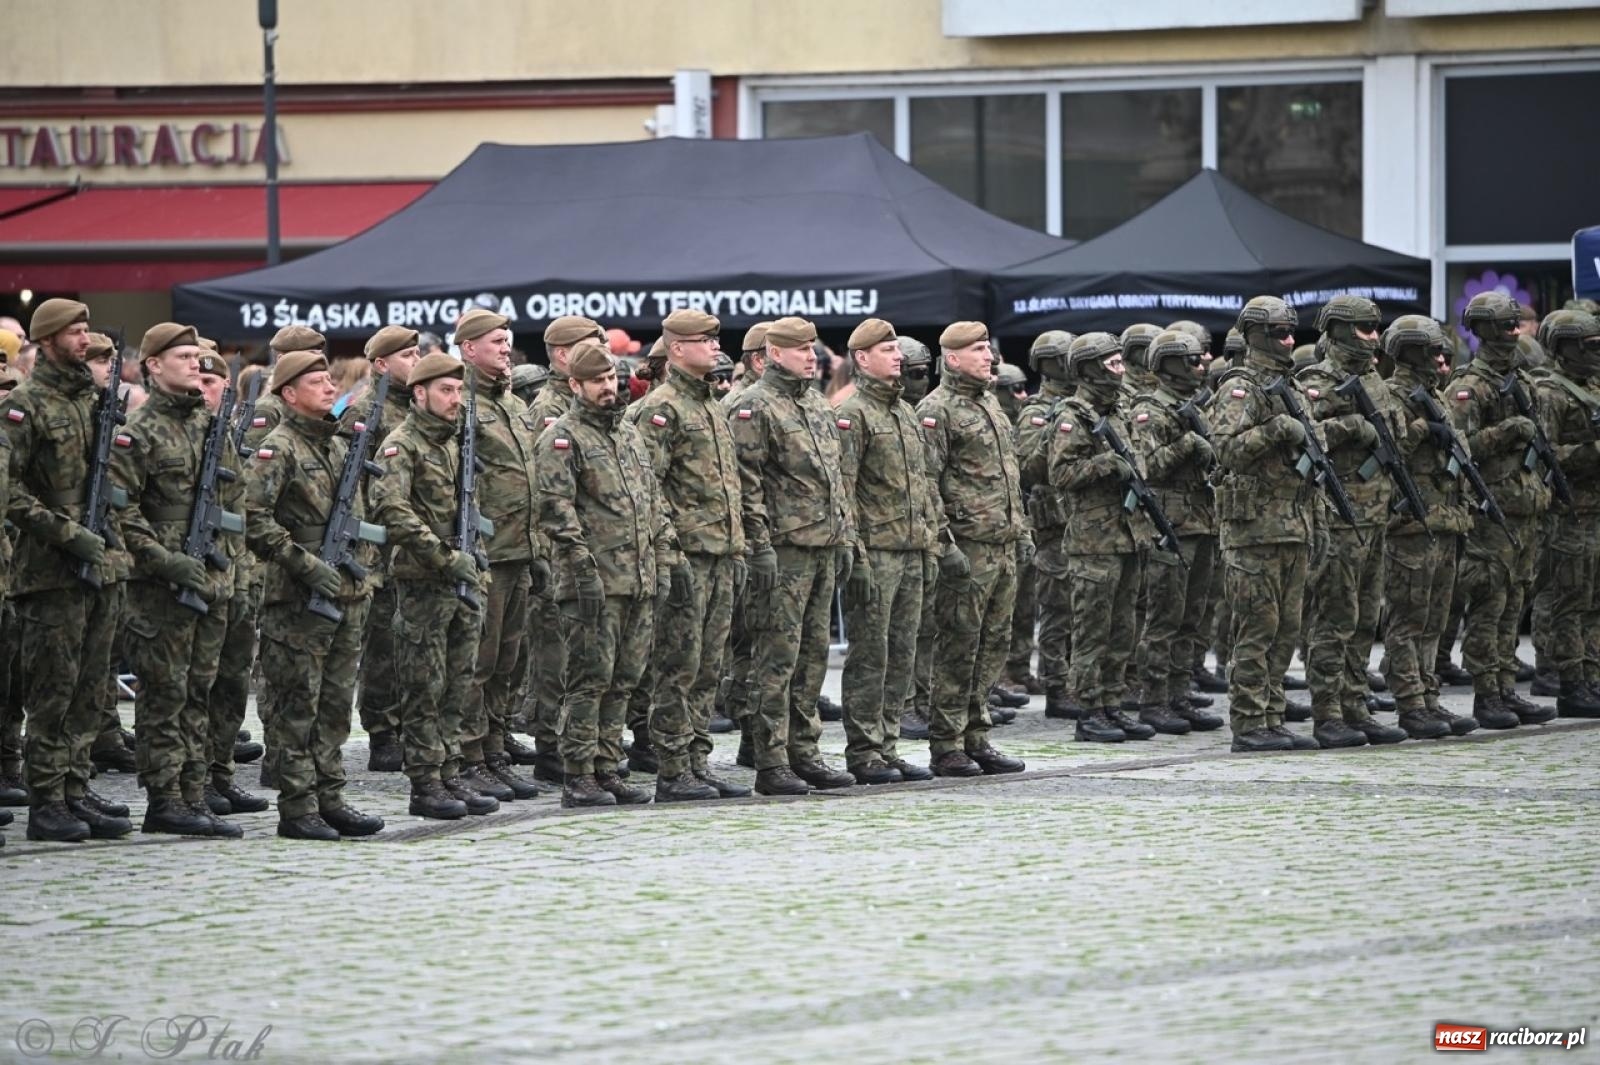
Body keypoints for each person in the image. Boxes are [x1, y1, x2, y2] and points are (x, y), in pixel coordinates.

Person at [3, 299, 133, 841]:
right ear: (49, 338)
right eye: (75, 331)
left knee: (89, 688)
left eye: (87, 330)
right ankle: (46, 799)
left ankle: (75, 788)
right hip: (51, 571)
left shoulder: (92, 401)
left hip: (101, 562)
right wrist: (65, 532)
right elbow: (9, 492)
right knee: (52, 692)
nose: (85, 339)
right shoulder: (26, 405)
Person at [110, 323, 246, 837]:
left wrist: (222, 562)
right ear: (152, 365)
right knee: (165, 693)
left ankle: (194, 790)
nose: (195, 363)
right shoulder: (137, 431)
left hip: (211, 578)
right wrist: (167, 561)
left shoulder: (208, 427)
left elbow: (236, 502)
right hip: (161, 587)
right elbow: (122, 512)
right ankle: (164, 796)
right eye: (183, 356)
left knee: (199, 689)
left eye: (196, 355)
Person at [244, 350, 385, 840]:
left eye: (330, 380)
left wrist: (361, 575)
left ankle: (330, 794)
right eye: (317, 382)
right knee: (297, 702)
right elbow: (253, 519)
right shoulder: (278, 448)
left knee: (334, 704)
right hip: (298, 596)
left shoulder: (339, 446)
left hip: (345, 592)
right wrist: (304, 566)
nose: (330, 388)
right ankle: (298, 804)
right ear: (289, 393)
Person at [536, 340, 668, 808]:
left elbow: (650, 500)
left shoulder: (627, 433)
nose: (608, 388)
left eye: (611, 378)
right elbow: (554, 509)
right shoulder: (564, 437)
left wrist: (664, 556)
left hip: (637, 578)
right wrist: (581, 568)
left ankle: (608, 766)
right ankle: (578, 772)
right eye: (598, 381)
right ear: (575, 384)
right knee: (589, 680)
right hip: (592, 581)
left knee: (624, 680)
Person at [729, 316, 856, 795]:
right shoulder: (753, 406)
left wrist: (843, 537)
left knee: (811, 659)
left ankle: (804, 750)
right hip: (783, 551)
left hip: (821, 546)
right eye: (799, 348)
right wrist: (759, 547)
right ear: (773, 353)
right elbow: (746, 483)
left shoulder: (816, 404)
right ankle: (770, 757)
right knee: (775, 658)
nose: (811, 355)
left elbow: (834, 479)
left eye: (812, 348)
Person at [368, 351, 496, 819]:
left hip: (462, 577)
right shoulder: (402, 445)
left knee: (458, 682)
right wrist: (444, 557)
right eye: (446, 390)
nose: (454, 398)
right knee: (424, 685)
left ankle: (449, 769)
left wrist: (473, 559)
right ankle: (425, 780)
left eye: (459, 389)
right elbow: (391, 509)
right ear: (419, 393)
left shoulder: (454, 443)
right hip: (425, 581)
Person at [630, 310, 751, 802]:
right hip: (688, 556)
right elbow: (648, 488)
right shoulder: (661, 408)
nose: (714, 348)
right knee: (678, 665)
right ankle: (672, 766)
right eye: (704, 340)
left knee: (707, 665)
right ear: (677, 348)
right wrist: (668, 553)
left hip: (721, 552)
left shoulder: (711, 405)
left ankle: (697, 760)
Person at [1209, 297, 1322, 753]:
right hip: (1253, 529)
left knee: (1286, 629)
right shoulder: (1241, 387)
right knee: (1257, 628)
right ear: (1256, 334)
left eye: (1291, 332)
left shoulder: (1287, 385)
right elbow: (1226, 448)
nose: (1289, 340)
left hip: (1293, 524)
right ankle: (1250, 721)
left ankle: (1273, 714)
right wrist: (1277, 430)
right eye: (1279, 333)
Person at [1295, 296, 1410, 749]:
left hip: (1376, 514)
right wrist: (1351, 427)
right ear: (1340, 330)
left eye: (1374, 329)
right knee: (1335, 618)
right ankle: (1327, 712)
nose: (1373, 337)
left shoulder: (1372, 381)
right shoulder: (1316, 381)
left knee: (1365, 619)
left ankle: (1355, 704)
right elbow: (1308, 436)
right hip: (1341, 517)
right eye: (1364, 330)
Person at [916, 321, 1028, 776]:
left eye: (989, 348)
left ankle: (976, 734)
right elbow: (926, 484)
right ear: (954, 357)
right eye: (979, 349)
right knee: (958, 645)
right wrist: (945, 546)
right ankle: (947, 743)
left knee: (993, 645)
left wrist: (1021, 531)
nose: (989, 356)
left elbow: (1006, 477)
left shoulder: (992, 406)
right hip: (967, 547)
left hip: (1001, 543)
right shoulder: (936, 410)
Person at [835, 318, 937, 785]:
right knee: (871, 655)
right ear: (861, 358)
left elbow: (924, 485)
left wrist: (932, 542)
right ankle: (864, 750)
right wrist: (853, 554)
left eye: (897, 348)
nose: (898, 356)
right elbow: (844, 489)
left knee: (902, 654)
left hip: (912, 549)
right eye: (887, 349)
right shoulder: (853, 413)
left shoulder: (903, 413)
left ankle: (888, 743)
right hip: (876, 553)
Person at [1448, 292, 1556, 729]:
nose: (1515, 331)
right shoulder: (1469, 386)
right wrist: (1506, 431)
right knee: (1489, 605)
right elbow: (1458, 450)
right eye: (1507, 325)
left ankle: (1507, 687)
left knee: (1515, 602)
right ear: (1487, 329)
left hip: (1526, 509)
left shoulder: (1524, 381)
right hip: (1491, 513)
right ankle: (1486, 693)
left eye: (1517, 324)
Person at [1376, 316, 1480, 738]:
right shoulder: (1391, 396)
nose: (1440, 359)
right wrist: (1421, 429)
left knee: (1435, 621)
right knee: (1409, 619)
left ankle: (1429, 698)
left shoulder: (1433, 397)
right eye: (1433, 351)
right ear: (1411, 351)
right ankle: (1410, 703)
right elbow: (1385, 453)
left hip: (1445, 520)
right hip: (1412, 524)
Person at [455, 308, 543, 802]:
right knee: (480, 661)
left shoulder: (507, 402)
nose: (506, 348)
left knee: (509, 660)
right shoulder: (463, 401)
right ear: (469, 348)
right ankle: (469, 756)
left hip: (520, 548)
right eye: (495, 341)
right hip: (488, 551)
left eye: (508, 341)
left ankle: (493, 749)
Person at [521, 315, 605, 784]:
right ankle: (551, 745)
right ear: (560, 354)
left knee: (583, 657)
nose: (600, 349)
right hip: (555, 552)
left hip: (594, 550)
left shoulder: (588, 405)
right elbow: (546, 490)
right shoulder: (551, 407)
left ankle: (580, 744)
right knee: (555, 656)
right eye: (588, 344)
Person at [1129, 330, 1226, 733]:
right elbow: (1147, 466)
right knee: (1164, 617)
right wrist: (1188, 444)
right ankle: (1153, 700)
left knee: (1192, 615)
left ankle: (1179, 693)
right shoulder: (1149, 409)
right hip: (1170, 526)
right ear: (1168, 363)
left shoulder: (1191, 406)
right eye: (1191, 361)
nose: (1199, 367)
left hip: (1200, 521)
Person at [194, 349, 272, 817]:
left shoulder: (228, 438)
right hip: (192, 576)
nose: (205, 389)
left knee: (230, 682)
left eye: (213, 382)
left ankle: (219, 774)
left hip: (238, 575)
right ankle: (190, 782)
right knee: (192, 687)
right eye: (198, 380)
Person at [343, 325, 423, 774]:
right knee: (383, 643)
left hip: (415, 544)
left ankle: (410, 724)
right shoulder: (364, 412)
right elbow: (350, 481)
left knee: (413, 641)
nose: (415, 361)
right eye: (407, 355)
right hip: (379, 546)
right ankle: (382, 730)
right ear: (381, 364)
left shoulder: (417, 407)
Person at [1530, 308, 1600, 718]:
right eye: (1588, 346)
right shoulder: (1549, 394)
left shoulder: (1592, 386)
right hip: (1568, 514)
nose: (1595, 353)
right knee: (1570, 601)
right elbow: (1545, 456)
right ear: (1563, 347)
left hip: (1595, 511)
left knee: (1594, 601)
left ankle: (1591, 675)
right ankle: (1570, 682)